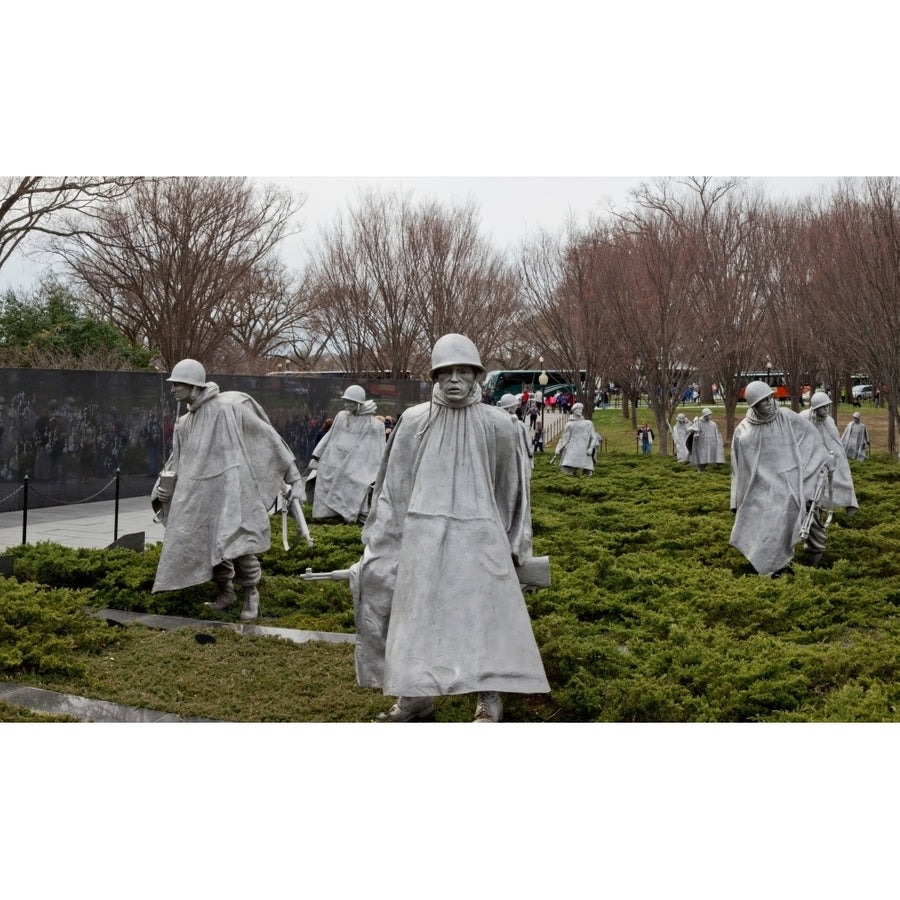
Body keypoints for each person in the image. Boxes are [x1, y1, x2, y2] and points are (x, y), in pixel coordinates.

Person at [351, 333, 549, 722]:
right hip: (423, 536)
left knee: (482, 616)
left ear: (476, 375)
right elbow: (395, 487)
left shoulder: (499, 425)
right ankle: (414, 698)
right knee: (416, 618)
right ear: (435, 377)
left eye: (464, 371)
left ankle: (488, 696)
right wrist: (384, 541)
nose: (455, 380)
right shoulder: (413, 422)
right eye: (447, 372)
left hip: (480, 537)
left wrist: (515, 542)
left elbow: (512, 490)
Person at [151, 358, 302, 622]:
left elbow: (267, 437)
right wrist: (163, 490)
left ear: (193, 386)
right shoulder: (184, 423)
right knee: (208, 544)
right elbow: (176, 461)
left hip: (230, 489)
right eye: (172, 384)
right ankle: (226, 591)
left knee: (238, 544)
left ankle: (251, 595)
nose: (173, 389)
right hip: (197, 494)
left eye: (178, 384)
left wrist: (294, 478)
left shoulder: (227, 408)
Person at [730, 380, 834, 577]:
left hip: (789, 485)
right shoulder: (743, 432)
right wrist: (736, 500)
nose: (769, 403)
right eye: (763, 401)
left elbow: (811, 437)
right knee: (765, 527)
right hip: (760, 489)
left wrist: (822, 460)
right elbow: (738, 470)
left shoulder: (786, 417)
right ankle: (772, 568)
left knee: (788, 519)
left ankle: (790, 565)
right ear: (753, 405)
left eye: (770, 398)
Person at [308, 385, 386, 525]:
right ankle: (328, 516)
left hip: (355, 464)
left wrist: (379, 470)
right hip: (333, 460)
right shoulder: (341, 416)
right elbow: (330, 436)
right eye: (345, 401)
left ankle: (352, 517)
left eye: (350, 402)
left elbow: (379, 450)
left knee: (355, 486)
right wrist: (317, 455)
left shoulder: (374, 424)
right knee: (326, 484)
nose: (346, 405)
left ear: (359, 403)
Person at [800, 391, 859, 564]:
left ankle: (815, 556)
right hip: (806, 473)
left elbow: (835, 446)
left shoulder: (830, 422)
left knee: (818, 508)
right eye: (822, 407)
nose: (826, 410)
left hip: (825, 471)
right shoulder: (803, 419)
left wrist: (831, 461)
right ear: (815, 408)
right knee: (807, 508)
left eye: (827, 406)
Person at [554, 402, 600, 475]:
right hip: (571, 453)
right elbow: (564, 439)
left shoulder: (588, 423)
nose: (580, 411)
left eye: (581, 409)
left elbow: (594, 437)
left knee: (587, 473)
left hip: (585, 452)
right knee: (567, 473)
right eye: (578, 409)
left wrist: (591, 448)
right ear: (574, 411)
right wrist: (558, 449)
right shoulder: (569, 425)